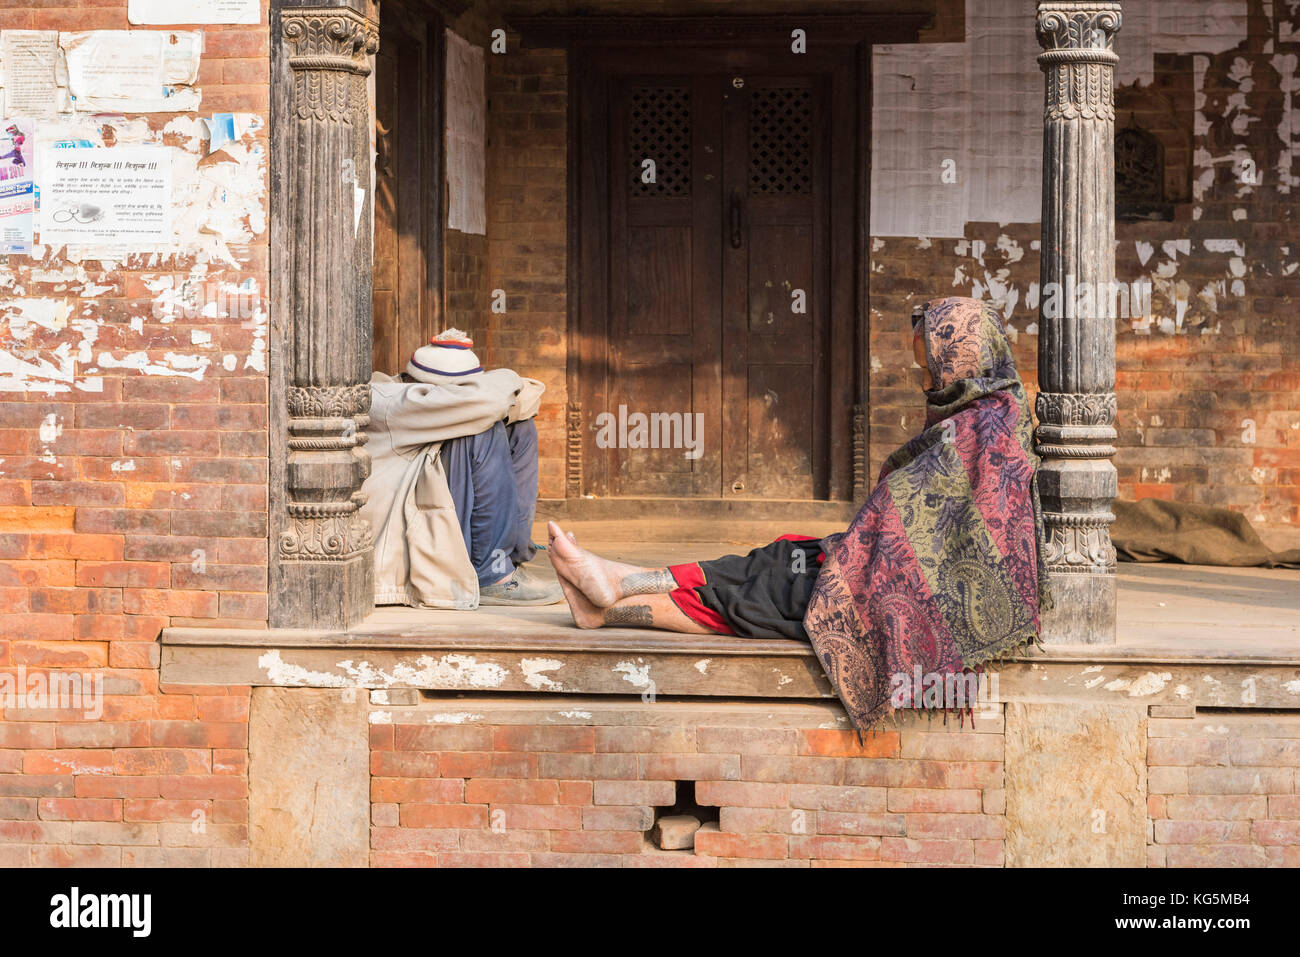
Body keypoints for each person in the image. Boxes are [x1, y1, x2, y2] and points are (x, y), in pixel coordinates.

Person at [548, 296, 1051, 729]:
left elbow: (958, 529)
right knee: (780, 554)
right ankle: (620, 581)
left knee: (765, 597)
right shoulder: (982, 407)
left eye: (929, 370)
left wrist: (860, 552)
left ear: (960, 362)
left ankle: (609, 605)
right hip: (881, 563)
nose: (924, 382)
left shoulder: (987, 431)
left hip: (911, 593)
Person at [361, 331, 562, 608]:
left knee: (520, 428)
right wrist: (498, 379)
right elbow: (489, 402)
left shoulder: (446, 399)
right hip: (407, 536)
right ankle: (491, 576)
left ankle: (504, 562)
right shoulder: (391, 399)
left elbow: (532, 395)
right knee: (483, 430)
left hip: (441, 516)